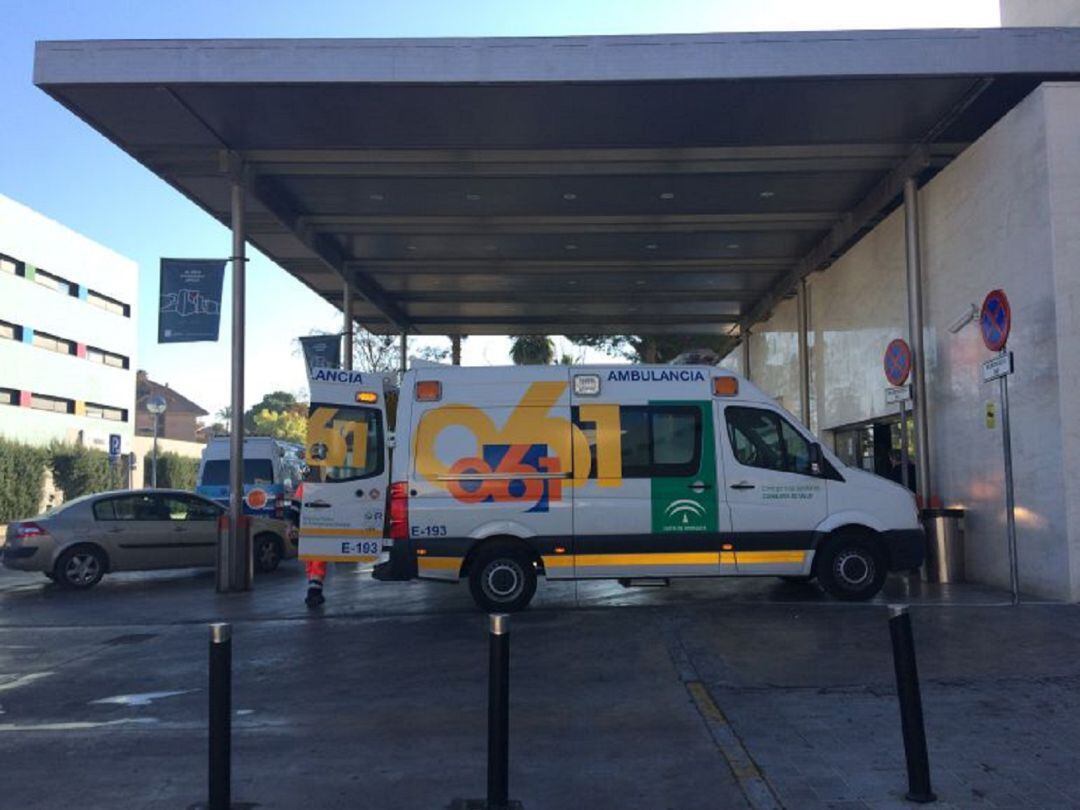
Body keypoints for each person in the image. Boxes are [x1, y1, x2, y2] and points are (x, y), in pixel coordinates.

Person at [293, 475, 328, 608]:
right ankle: (314, 592)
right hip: (321, 527)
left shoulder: (303, 488)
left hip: (308, 528)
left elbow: (294, 508)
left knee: (312, 561)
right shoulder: (328, 487)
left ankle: (313, 590)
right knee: (317, 562)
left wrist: (293, 524)